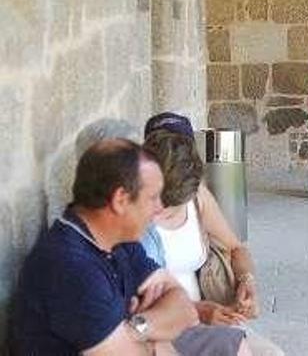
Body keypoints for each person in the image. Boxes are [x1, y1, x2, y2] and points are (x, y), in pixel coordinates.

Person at [12, 139, 204, 355]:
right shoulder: (70, 267)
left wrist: (136, 328)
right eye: (152, 198)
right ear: (120, 199)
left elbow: (186, 310)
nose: (159, 208)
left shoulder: (119, 242)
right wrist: (155, 339)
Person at [140, 113, 284, 355]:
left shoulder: (196, 197)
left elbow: (235, 247)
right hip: (166, 324)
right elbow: (131, 302)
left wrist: (246, 281)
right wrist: (198, 310)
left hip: (210, 314)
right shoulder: (133, 214)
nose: (161, 209)